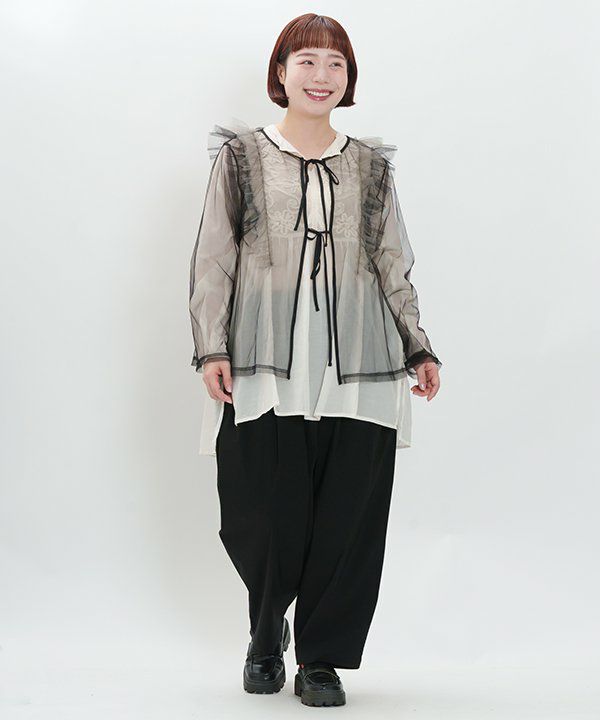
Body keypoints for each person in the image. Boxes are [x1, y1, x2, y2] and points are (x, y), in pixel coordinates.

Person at [189, 13, 442, 707]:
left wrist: (416, 344)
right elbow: (214, 259)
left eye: (336, 64)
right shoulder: (242, 157)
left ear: (348, 79)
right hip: (264, 361)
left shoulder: (371, 167)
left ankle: (321, 658)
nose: (321, 75)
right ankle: (266, 631)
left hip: (360, 364)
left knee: (348, 515)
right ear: (281, 73)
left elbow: (392, 262)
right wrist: (212, 346)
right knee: (260, 510)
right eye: (306, 61)